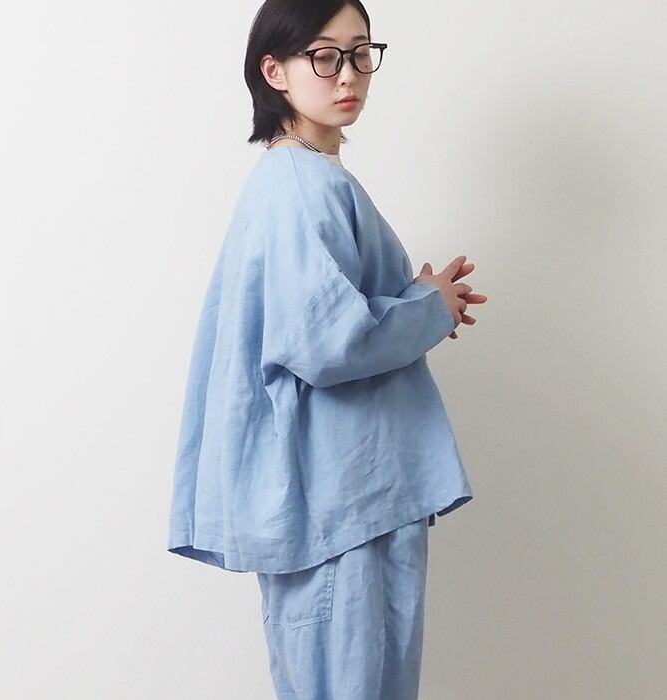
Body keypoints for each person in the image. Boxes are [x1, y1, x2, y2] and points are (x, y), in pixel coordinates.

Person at [167, 1, 487, 697]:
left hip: (350, 496)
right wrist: (429, 309)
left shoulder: (306, 177)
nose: (348, 74)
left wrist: (420, 300)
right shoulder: (299, 185)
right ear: (274, 71)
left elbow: (320, 320)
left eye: (361, 52)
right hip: (340, 502)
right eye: (324, 55)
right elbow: (326, 341)